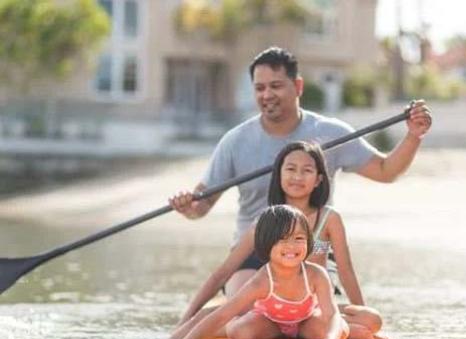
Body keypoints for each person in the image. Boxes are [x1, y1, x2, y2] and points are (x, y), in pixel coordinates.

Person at [169, 47, 431, 297]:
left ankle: (322, 307)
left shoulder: (333, 132)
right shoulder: (234, 141)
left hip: (312, 246)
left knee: (317, 282)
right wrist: (188, 205)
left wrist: (414, 136)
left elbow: (386, 171)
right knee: (247, 308)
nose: (267, 94)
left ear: (298, 87)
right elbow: (201, 205)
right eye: (260, 88)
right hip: (253, 248)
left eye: (276, 85)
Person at [171, 141, 382, 339]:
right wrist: (187, 316)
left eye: (307, 170)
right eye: (290, 169)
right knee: (222, 315)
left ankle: (317, 330)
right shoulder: (266, 221)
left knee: (372, 319)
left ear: (318, 179)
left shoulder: (329, 219)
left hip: (312, 307)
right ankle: (215, 328)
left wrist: (360, 308)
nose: (298, 177)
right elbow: (225, 271)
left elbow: (345, 271)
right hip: (272, 308)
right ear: (279, 175)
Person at [174, 205, 350, 339]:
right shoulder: (262, 281)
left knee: (340, 330)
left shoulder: (316, 274)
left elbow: (332, 314)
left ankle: (307, 332)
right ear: (266, 244)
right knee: (239, 332)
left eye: (299, 239)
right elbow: (223, 314)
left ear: (308, 241)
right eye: (282, 239)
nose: (291, 246)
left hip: (305, 321)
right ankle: (265, 330)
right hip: (269, 323)